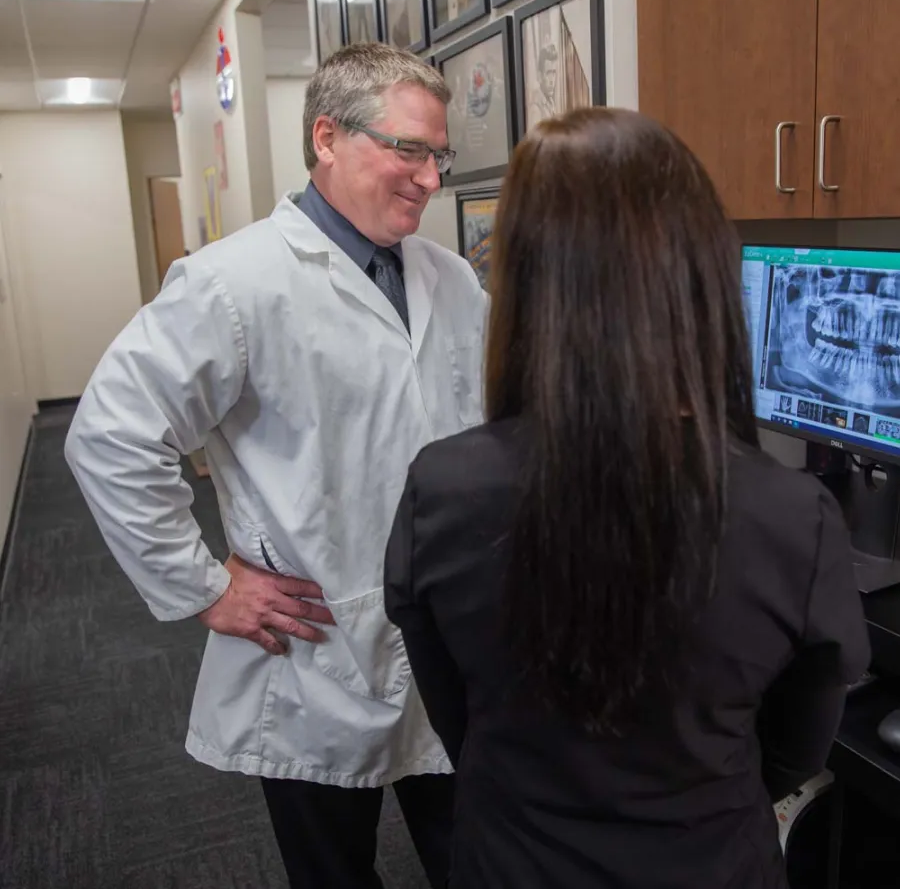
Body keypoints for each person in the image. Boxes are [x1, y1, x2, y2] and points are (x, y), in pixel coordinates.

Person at [384, 107, 870, 889]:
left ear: (522, 285)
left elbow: (459, 717)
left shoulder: (440, 490)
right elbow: (794, 751)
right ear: (701, 275)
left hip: (511, 859)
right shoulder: (791, 518)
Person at [65, 43, 488, 889]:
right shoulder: (233, 283)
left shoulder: (450, 278)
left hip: (452, 637)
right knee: (333, 872)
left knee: (479, 859)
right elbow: (110, 436)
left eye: (439, 155)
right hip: (315, 648)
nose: (430, 179)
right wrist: (206, 586)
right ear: (327, 137)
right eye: (407, 149)